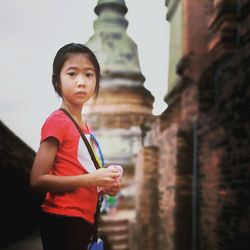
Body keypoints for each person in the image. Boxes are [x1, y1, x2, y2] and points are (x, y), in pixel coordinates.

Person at [30, 43, 121, 250]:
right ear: (57, 80)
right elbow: (37, 180)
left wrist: (104, 185)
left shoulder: (85, 127)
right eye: (72, 74)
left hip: (84, 220)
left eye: (89, 75)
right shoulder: (57, 121)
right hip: (62, 219)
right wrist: (93, 179)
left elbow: (79, 172)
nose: (81, 82)